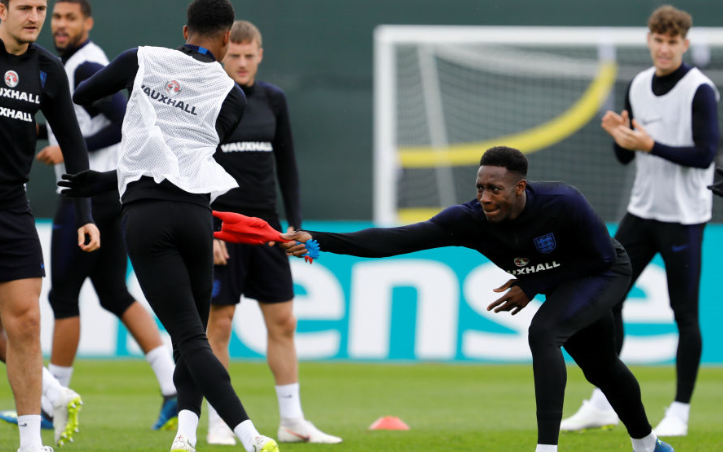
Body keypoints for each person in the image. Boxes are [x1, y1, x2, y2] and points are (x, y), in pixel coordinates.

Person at [275, 147, 674, 452]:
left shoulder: (563, 201)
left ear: (520, 188)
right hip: (562, 282)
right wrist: (319, 240)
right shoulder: (469, 220)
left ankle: (548, 449)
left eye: (495, 189)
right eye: (480, 188)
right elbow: (395, 240)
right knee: (602, 368)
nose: (485, 197)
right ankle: (650, 447)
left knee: (545, 332)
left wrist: (533, 284)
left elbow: (601, 258)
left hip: (603, 272)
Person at [59, 0, 278, 451]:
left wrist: (141, 101)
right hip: (196, 219)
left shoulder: (140, 60)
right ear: (226, 39)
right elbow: (186, 156)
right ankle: (185, 436)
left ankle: (250, 435)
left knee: (190, 338)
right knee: (191, 336)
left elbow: (82, 95)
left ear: (184, 30)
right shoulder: (232, 96)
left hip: (147, 217)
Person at [560, 5, 719, 437]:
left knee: (684, 313)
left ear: (684, 44)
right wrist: (623, 139)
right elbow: (626, 155)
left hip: (684, 218)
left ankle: (679, 411)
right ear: (649, 40)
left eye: (672, 42)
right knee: (607, 301)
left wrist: (651, 144)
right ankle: (603, 402)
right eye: (658, 40)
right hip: (641, 212)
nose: (664, 48)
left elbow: (705, 155)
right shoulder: (639, 84)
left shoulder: (700, 90)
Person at [38, 0, 177, 431]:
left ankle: (52, 403)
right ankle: (172, 385)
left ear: (88, 22)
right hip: (112, 194)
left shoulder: (84, 66)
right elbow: (81, 122)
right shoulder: (73, 63)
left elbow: (122, 123)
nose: (60, 24)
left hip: (88, 197)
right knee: (114, 293)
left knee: (63, 298)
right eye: (57, 17)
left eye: (70, 18)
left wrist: (69, 147)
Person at [205, 20, 340, 446]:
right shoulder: (206, 98)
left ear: (260, 55)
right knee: (219, 324)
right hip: (224, 230)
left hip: (267, 229)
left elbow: (288, 166)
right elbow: (191, 167)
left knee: (283, 321)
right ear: (222, 54)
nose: (242, 63)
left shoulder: (273, 100)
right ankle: (219, 422)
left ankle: (293, 421)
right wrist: (209, 230)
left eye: (249, 55)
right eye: (234, 55)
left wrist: (294, 224)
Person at [0, 0, 100, 450]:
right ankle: (55, 393)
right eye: (25, 7)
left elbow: (73, 145)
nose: (35, 17)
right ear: (1, 10)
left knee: (25, 323)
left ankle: (30, 442)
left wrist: (85, 215)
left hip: (11, 207)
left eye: (41, 8)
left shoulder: (48, 69)